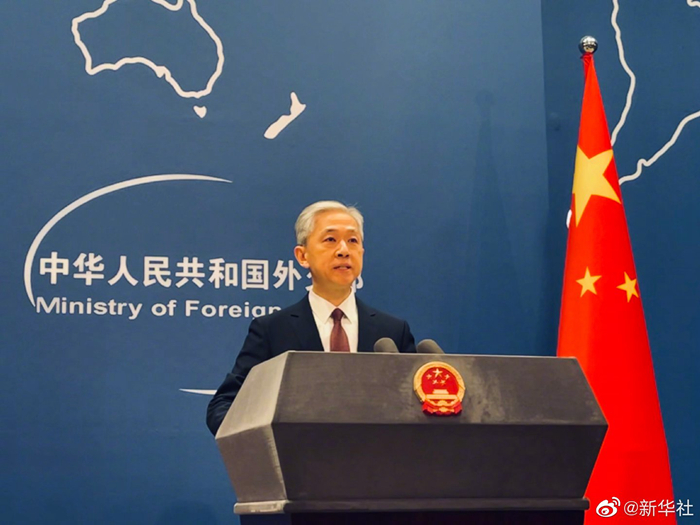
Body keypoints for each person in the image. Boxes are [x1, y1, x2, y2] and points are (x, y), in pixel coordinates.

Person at [206, 201, 416, 435]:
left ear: (362, 253)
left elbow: (417, 406)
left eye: (353, 241)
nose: (344, 250)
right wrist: (262, 442)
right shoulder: (272, 330)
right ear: (302, 255)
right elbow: (224, 405)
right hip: (297, 456)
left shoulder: (392, 332)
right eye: (330, 239)